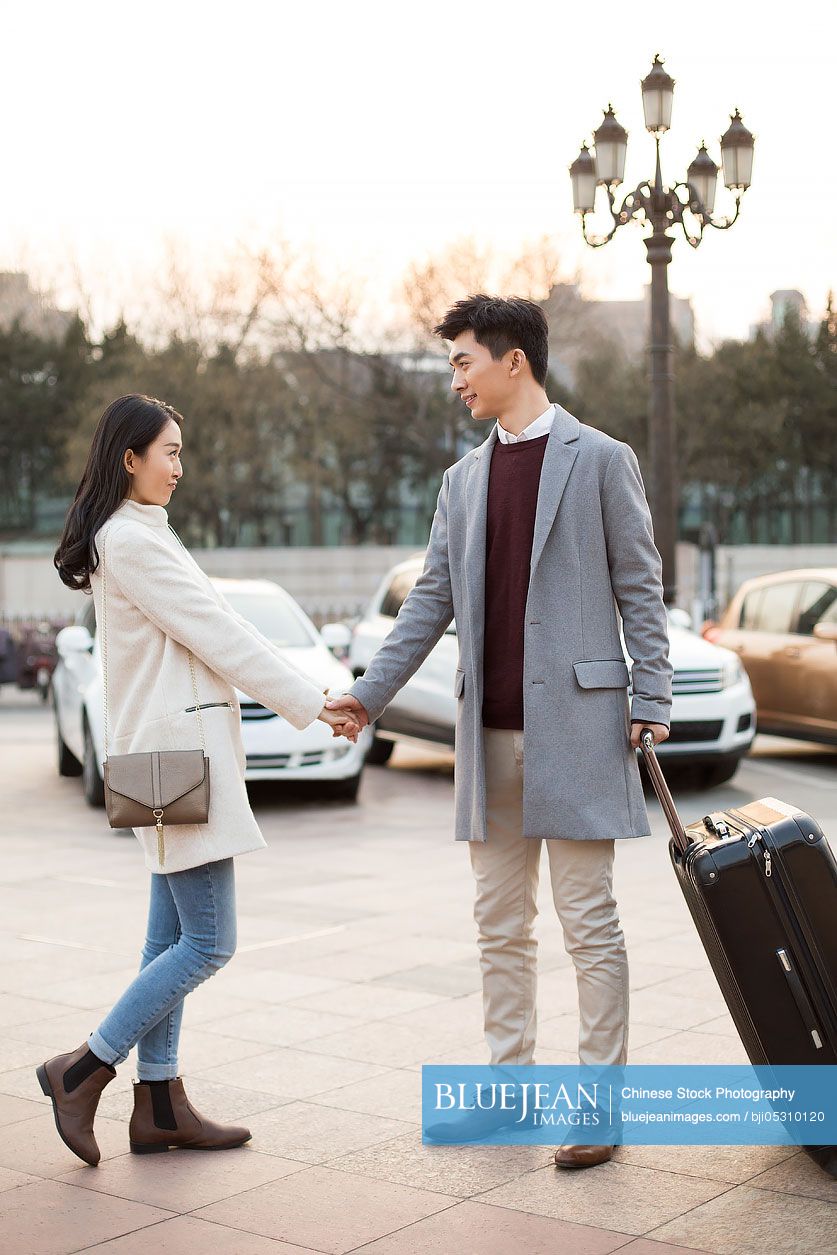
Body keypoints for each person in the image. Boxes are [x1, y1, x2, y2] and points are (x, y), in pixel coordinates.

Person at [327, 295, 672, 1169]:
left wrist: (652, 696)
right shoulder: (461, 481)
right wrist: (368, 694)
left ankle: (599, 1108)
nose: (456, 380)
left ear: (512, 360)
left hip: (585, 727)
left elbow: (640, 584)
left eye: (463, 362)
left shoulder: (600, 459)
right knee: (498, 925)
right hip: (488, 739)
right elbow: (428, 604)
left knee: (587, 922)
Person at [43, 394, 359, 1165]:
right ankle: (82, 1068)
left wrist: (304, 695)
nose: (181, 467)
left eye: (182, 452)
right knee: (209, 942)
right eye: (171, 452)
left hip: (170, 760)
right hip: (178, 763)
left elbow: (221, 622)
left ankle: (158, 1104)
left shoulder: (137, 532)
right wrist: (310, 703)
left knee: (169, 938)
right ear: (130, 457)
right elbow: (217, 631)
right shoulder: (133, 539)